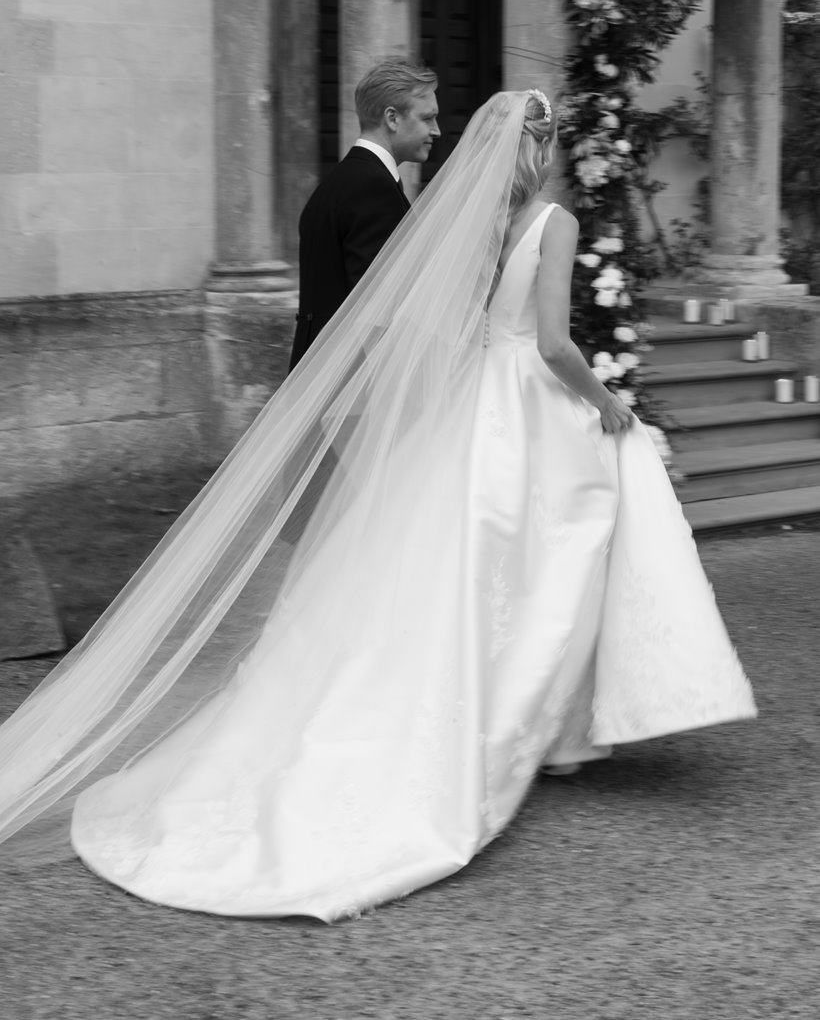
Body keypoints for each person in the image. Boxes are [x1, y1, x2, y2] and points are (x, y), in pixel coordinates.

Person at [0, 91, 755, 921]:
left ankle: (547, 730)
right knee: (553, 557)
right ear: (542, 149)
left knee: (469, 569)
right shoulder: (554, 224)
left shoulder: (473, 227)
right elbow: (551, 343)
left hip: (475, 405)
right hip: (530, 402)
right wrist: (605, 401)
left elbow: (463, 328)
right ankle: (546, 735)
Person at [289, 57, 440, 369]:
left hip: (319, 372)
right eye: (428, 118)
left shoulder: (342, 180)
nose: (436, 131)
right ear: (392, 118)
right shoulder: (373, 188)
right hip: (353, 386)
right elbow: (379, 312)